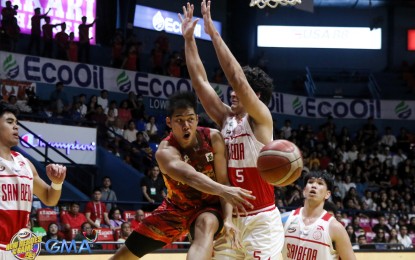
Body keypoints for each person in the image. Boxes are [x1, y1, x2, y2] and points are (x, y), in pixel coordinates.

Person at [180, 2, 282, 258]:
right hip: (231, 217)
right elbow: (200, 81)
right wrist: (189, 40)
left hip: (261, 220)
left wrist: (213, 33)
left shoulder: (261, 119)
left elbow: (236, 78)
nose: (232, 93)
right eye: (233, 92)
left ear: (256, 95)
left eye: (240, 91)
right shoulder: (226, 118)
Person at [110, 91, 255, 260]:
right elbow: (190, 177)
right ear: (169, 122)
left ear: (197, 120)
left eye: (190, 119)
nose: (186, 125)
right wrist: (223, 190)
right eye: (179, 120)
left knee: (206, 224)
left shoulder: (213, 137)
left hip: (209, 206)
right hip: (175, 209)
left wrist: (228, 219)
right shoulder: (165, 152)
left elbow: (224, 181)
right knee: (122, 257)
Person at [0, 102, 66, 258]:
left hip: (21, 249)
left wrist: (57, 183)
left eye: (17, 123)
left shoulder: (24, 163)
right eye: (10, 122)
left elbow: (49, 199)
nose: (16, 127)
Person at [282, 171, 356, 259]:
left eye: (320, 183)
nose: (314, 185)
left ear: (327, 194)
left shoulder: (335, 227)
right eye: (310, 182)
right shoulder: (284, 219)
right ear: (304, 191)